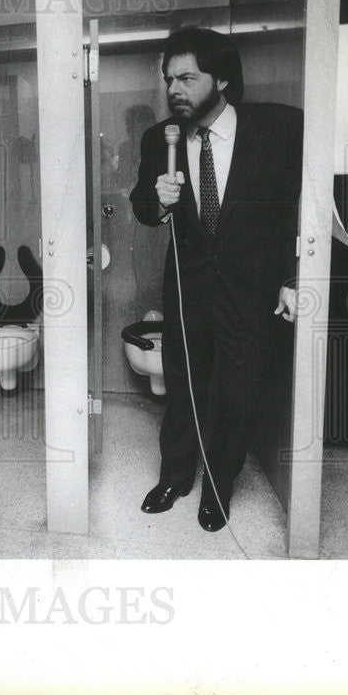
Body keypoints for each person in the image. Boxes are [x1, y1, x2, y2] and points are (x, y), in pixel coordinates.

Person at [129, 27, 303, 532]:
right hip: (188, 288)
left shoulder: (277, 129)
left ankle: (218, 486)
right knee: (184, 386)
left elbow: (302, 208)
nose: (174, 89)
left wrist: (296, 275)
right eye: (169, 79)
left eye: (187, 77)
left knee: (238, 392)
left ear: (222, 78)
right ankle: (175, 476)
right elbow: (143, 206)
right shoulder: (157, 139)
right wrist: (156, 201)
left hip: (254, 292)